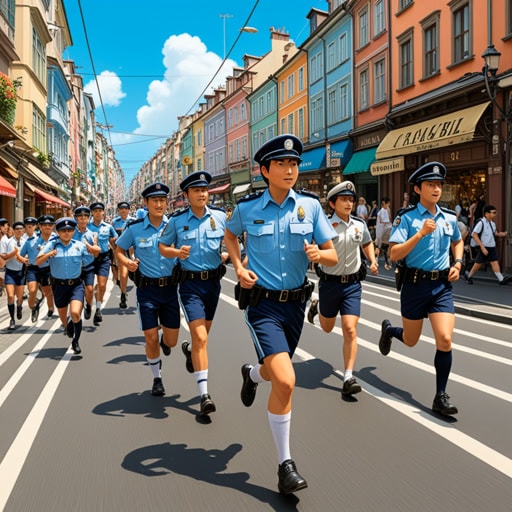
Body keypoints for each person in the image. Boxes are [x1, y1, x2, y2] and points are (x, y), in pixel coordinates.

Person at [224, 134, 338, 494]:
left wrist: (321, 257)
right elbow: (229, 236)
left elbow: (331, 253)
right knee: (287, 381)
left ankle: (253, 374)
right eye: (282, 165)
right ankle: (285, 464)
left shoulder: (311, 207)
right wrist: (239, 267)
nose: (290, 170)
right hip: (262, 306)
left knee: (276, 373)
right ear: (265, 170)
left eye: (294, 164)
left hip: (296, 305)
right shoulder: (247, 209)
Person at [378, 162, 464, 416]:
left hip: (441, 287)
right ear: (418, 188)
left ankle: (441, 395)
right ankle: (390, 331)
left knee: (445, 340)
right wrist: (419, 235)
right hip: (414, 286)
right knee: (411, 340)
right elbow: (393, 253)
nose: (436, 189)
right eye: (430, 185)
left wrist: (458, 263)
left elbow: (458, 242)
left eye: (439, 184)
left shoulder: (449, 217)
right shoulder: (405, 218)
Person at [159, 171, 226, 417]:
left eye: (204, 190)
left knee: (202, 338)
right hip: (190, 287)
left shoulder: (219, 217)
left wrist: (230, 254)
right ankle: (204, 395)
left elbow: (231, 241)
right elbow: (163, 247)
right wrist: (177, 253)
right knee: (200, 337)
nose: (202, 194)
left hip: (213, 285)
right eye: (196, 190)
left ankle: (190, 352)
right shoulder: (177, 221)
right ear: (186, 195)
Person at [307, 180, 378, 397]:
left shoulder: (359, 224)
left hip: (352, 285)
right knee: (327, 327)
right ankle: (317, 309)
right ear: (332, 203)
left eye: (351, 200)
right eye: (344, 200)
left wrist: (372, 260)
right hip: (330, 284)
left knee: (349, 328)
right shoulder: (325, 225)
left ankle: (348, 376)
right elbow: (314, 247)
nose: (349, 204)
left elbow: (366, 243)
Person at [115, 182, 180, 397]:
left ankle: (165, 341)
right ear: (146, 203)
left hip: (170, 290)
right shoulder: (135, 228)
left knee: (171, 341)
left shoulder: (175, 226)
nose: (159, 204)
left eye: (163, 200)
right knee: (150, 336)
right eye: (155, 200)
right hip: (147, 290)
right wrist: (127, 263)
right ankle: (157, 378)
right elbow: (119, 249)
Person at [36, 217, 90, 354]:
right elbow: (38, 261)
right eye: (63, 230)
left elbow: (90, 260)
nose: (66, 233)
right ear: (58, 232)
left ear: (73, 231)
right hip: (58, 286)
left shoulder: (79, 245)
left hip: (76, 285)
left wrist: (94, 249)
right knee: (64, 318)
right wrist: (49, 254)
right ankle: (68, 326)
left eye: (70, 230)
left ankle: (76, 341)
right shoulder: (52, 244)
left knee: (76, 313)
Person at [17, 216, 56, 322]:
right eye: (44, 225)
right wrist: (23, 260)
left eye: (49, 225)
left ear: (53, 226)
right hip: (33, 268)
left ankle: (51, 308)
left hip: (47, 268)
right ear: (40, 226)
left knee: (48, 291)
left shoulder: (56, 239)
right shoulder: (31, 241)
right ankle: (34, 306)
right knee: (32, 290)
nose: (47, 227)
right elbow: (20, 255)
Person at [88, 202, 118, 326]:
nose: (98, 213)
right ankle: (88, 305)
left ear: (103, 212)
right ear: (92, 213)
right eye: (95, 211)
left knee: (102, 285)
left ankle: (98, 309)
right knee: (88, 287)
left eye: (100, 211)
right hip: (89, 258)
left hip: (104, 258)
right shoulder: (87, 227)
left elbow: (115, 238)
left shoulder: (108, 227)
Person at [464, 205, 510, 285]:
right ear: (486, 214)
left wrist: (503, 234)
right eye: (493, 213)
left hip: (492, 246)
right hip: (484, 246)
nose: (495, 214)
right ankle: (469, 276)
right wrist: (482, 247)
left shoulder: (492, 223)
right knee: (478, 264)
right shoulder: (481, 223)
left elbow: (495, 233)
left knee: (494, 262)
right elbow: (474, 234)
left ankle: (501, 279)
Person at [72, 206, 101, 319]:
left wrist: (89, 246)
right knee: (75, 292)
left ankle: (88, 305)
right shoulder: (71, 232)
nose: (83, 219)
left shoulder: (93, 234)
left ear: (89, 219)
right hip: (74, 267)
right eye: (80, 217)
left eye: (85, 217)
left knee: (89, 289)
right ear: (76, 218)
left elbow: (96, 253)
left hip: (88, 266)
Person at [0, 221, 26, 330]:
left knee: (19, 297)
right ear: (13, 230)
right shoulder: (7, 242)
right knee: (10, 296)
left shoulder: (27, 242)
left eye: (21, 229)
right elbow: (3, 256)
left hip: (21, 272)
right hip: (10, 272)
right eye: (17, 229)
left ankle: (19, 306)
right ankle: (12, 319)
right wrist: (14, 253)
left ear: (23, 230)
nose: (19, 230)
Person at [111, 201, 136, 309]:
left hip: (134, 252)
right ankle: (123, 294)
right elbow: (111, 237)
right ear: (119, 210)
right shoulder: (114, 222)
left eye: (126, 208)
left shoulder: (134, 221)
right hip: (121, 252)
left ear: (129, 210)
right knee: (123, 274)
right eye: (121, 209)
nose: (124, 210)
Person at [375, 197, 393, 271]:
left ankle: (386, 261)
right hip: (382, 229)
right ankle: (376, 260)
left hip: (385, 229)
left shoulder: (386, 210)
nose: (388, 204)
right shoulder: (382, 211)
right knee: (379, 245)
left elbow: (387, 219)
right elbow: (383, 220)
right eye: (388, 203)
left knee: (384, 246)